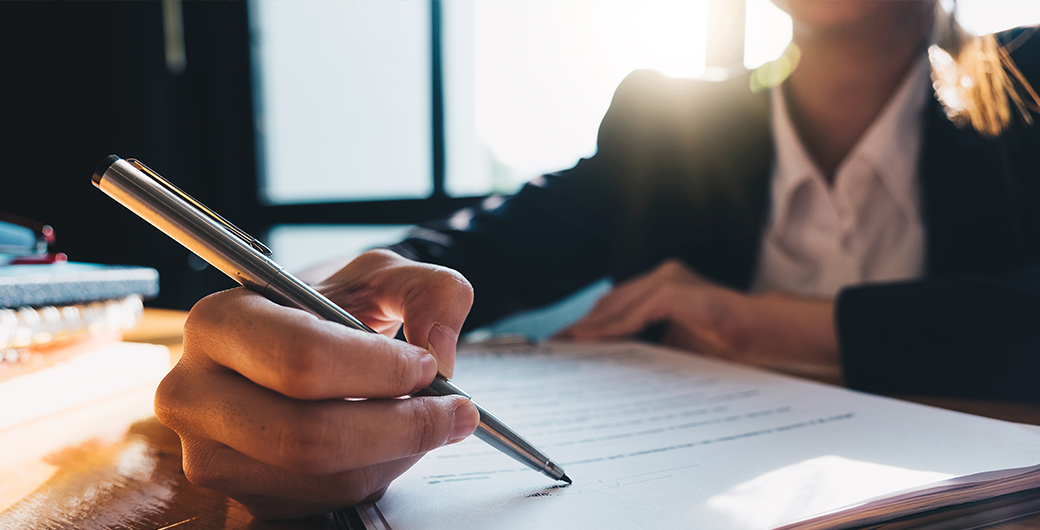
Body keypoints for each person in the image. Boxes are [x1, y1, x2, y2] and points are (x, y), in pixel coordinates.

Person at [153, 0, 1040, 519]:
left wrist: (749, 317)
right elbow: (466, 255)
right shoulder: (672, 126)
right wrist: (315, 317)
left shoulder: (1027, 84)